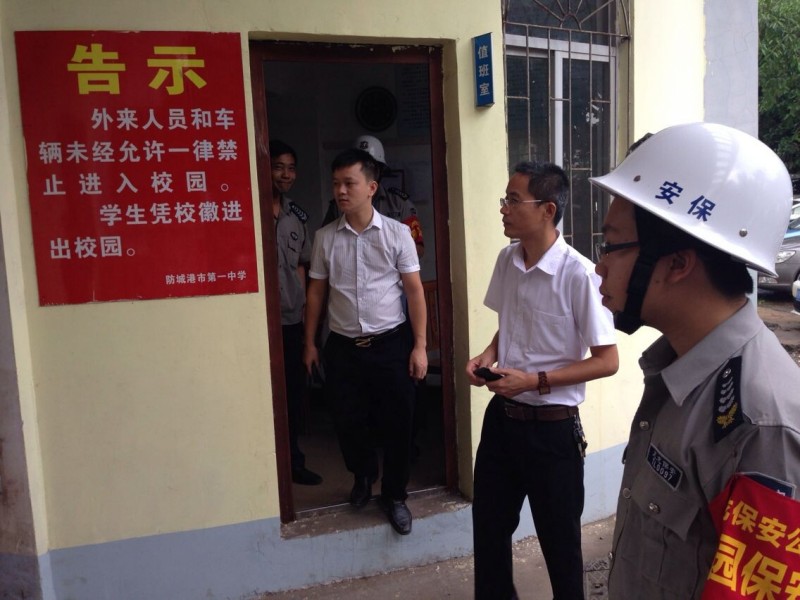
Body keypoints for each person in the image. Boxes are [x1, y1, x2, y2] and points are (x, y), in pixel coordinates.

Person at [590, 122, 800, 598]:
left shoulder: (760, 429)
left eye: (611, 245)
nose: (599, 265)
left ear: (678, 264)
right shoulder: (678, 370)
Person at [466, 161, 619, 599]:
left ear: (548, 209)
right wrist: (488, 356)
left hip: (552, 432)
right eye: (505, 199)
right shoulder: (508, 259)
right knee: (489, 530)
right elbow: (511, 323)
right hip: (502, 422)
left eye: (513, 200)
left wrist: (533, 381)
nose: (503, 208)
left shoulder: (580, 275)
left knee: (561, 545)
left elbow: (607, 361)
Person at [303, 148, 428, 535]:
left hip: (391, 344)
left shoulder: (397, 233)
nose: (340, 191)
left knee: (398, 424)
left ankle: (395, 495)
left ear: (371, 187)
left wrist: (420, 346)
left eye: (349, 183)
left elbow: (414, 292)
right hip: (343, 347)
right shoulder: (325, 238)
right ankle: (362, 476)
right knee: (348, 421)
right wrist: (310, 343)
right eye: (336, 184)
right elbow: (316, 293)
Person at [269, 139, 322, 486]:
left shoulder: (296, 217)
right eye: (278, 167)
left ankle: (293, 462)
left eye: (290, 168)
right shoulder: (246, 210)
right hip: (258, 322)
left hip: (290, 319)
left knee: (292, 394)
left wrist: (304, 319)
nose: (286, 175)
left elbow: (303, 267)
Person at [322, 135, 425, 257]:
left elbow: (418, 249)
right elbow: (326, 245)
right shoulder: (339, 205)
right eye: (361, 168)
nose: (367, 172)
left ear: (381, 170)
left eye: (371, 167)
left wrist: (388, 248)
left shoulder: (399, 204)